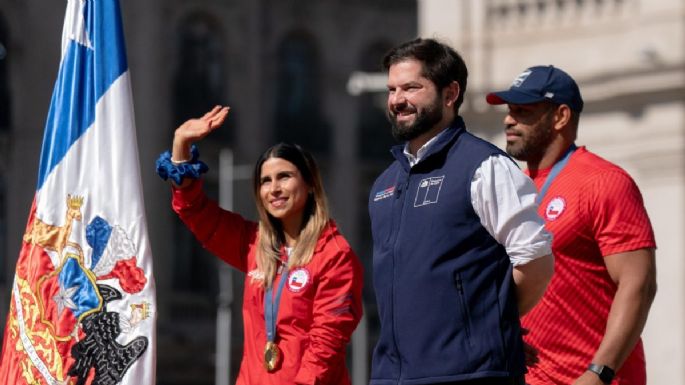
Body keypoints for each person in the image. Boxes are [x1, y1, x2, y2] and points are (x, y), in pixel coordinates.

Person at [368, 38, 555, 385]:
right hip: (393, 376)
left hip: (470, 373)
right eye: (392, 89)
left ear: (450, 93)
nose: (397, 100)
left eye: (411, 87)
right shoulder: (384, 185)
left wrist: (490, 323)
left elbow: (535, 261)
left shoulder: (486, 166)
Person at [156, 106, 363, 385]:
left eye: (284, 177)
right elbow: (195, 211)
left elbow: (325, 346)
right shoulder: (254, 244)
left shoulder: (334, 255)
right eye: (265, 181)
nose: (274, 188)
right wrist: (181, 142)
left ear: (311, 183)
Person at [486, 65, 657, 385]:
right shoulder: (514, 189)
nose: (509, 119)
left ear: (560, 116)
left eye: (523, 111)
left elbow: (639, 284)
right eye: (510, 111)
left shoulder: (604, 182)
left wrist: (599, 373)